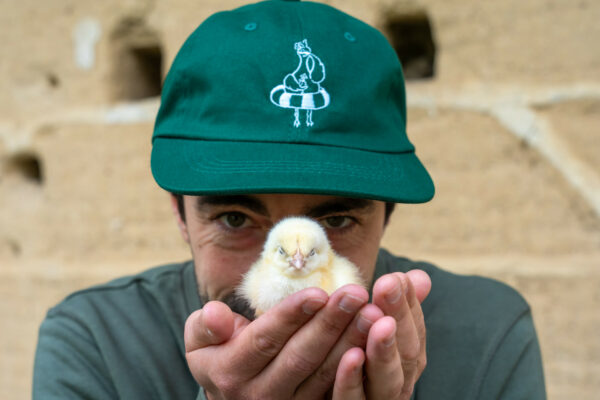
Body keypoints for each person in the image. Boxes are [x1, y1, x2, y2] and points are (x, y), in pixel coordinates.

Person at [33, 1, 546, 399]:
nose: (294, 275)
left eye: (338, 218)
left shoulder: (489, 335)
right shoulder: (95, 342)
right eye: (235, 218)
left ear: (386, 216)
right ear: (180, 212)